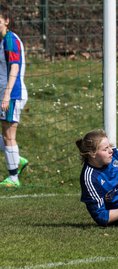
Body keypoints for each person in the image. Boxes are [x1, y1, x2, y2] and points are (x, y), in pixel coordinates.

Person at [0, 6, 28, 188]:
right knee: (6, 135)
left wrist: (7, 95)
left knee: (9, 135)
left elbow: (15, 68)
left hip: (12, 94)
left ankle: (13, 178)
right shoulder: (2, 41)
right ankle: (17, 158)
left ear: (6, 20)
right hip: (4, 93)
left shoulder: (10, 40)